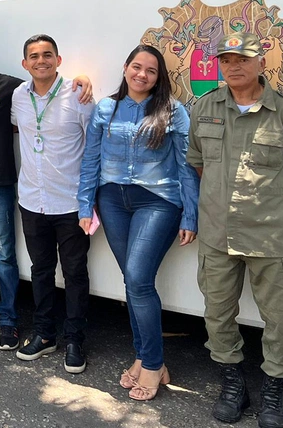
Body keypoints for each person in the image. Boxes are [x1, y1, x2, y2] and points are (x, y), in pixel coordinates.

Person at [187, 32, 283, 428]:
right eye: (226, 60)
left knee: (280, 319)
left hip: (270, 235)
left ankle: (275, 389)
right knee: (217, 314)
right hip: (216, 234)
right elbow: (199, 163)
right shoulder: (205, 108)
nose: (234, 66)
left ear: (262, 63)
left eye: (242, 59)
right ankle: (232, 384)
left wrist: (268, 208)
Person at [0, 31, 93, 351]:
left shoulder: (14, 87)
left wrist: (83, 78)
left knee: (13, 258)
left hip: (22, 190)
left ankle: (21, 324)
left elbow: (91, 139)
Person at [77, 44, 200, 401]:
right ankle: (146, 358)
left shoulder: (173, 111)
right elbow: (91, 159)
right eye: (137, 66)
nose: (142, 74)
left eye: (151, 70)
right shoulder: (106, 108)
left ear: (159, 77)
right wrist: (85, 203)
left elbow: (186, 167)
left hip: (158, 202)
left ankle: (152, 362)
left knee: (139, 280)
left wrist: (191, 213)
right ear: (126, 67)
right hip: (112, 200)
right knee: (132, 281)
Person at [11, 34, 95, 373]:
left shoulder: (79, 94)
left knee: (75, 273)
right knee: (40, 271)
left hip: (70, 203)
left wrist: (90, 200)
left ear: (59, 60)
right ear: (25, 63)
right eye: (34, 56)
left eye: (47, 55)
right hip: (32, 200)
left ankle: (75, 338)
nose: (41, 60)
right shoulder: (18, 96)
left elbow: (95, 146)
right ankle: (45, 334)